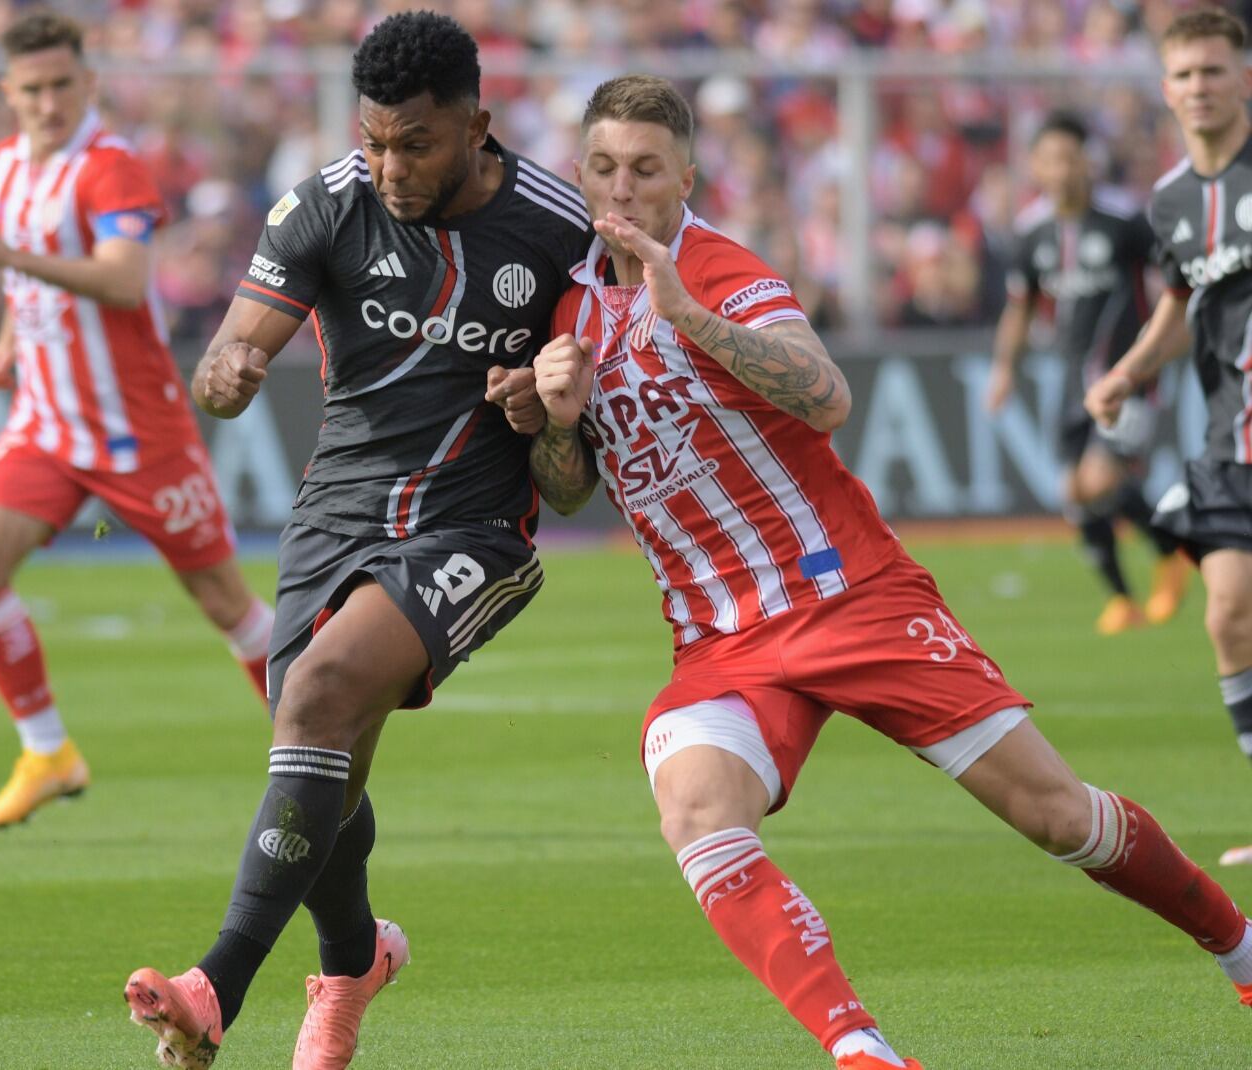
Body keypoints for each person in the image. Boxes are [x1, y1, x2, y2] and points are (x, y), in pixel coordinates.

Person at [520, 74, 1252, 1070]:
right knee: (695, 807)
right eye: (603, 168)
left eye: (646, 169)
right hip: (723, 639)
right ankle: (861, 1048)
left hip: (850, 595)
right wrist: (557, 421)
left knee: (1056, 815)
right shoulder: (567, 311)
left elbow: (824, 396)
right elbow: (565, 492)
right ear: (581, 173)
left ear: (685, 175)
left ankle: (1239, 944)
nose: (623, 188)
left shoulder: (723, 271)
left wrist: (688, 314)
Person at [121, 12, 591, 1069]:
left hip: (474, 529)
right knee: (320, 759)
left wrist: (548, 415)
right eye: (373, 138)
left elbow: (571, 486)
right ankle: (352, 965)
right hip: (332, 518)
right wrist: (229, 374)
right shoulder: (326, 204)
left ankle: (216, 983)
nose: (387, 165)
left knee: (318, 693)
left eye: (413, 144)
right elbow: (230, 359)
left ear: (477, 122)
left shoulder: (559, 228)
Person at [0, 12, 273, 830]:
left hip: (137, 429)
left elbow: (122, 282)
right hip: (46, 422)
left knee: (226, 604)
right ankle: (47, 751)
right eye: (32, 89)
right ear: (7, 94)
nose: (48, 102)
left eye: (62, 85)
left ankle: (317, 745)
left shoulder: (111, 168)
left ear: (88, 84)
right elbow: (33, 286)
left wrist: (5, 256)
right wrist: (9, 341)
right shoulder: (2, 169)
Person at [1086, 8, 1252, 867]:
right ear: (1166, 90)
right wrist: (1128, 371)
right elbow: (1181, 305)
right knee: (1227, 615)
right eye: (1185, 75)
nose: (1200, 87)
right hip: (1229, 437)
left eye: (1215, 71)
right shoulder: (1172, 201)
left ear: (1245, 76)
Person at [987, 110, 1189, 635]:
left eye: (1070, 157)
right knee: (1074, 493)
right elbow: (1021, 306)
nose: (1061, 169)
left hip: (1128, 378)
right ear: (1035, 165)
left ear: (1087, 162)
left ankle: (1171, 551)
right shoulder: (1032, 233)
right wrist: (1004, 369)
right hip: (1071, 378)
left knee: (1100, 479)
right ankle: (1125, 598)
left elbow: (1174, 284)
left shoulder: (1124, 221)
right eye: (1050, 158)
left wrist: (1167, 345)